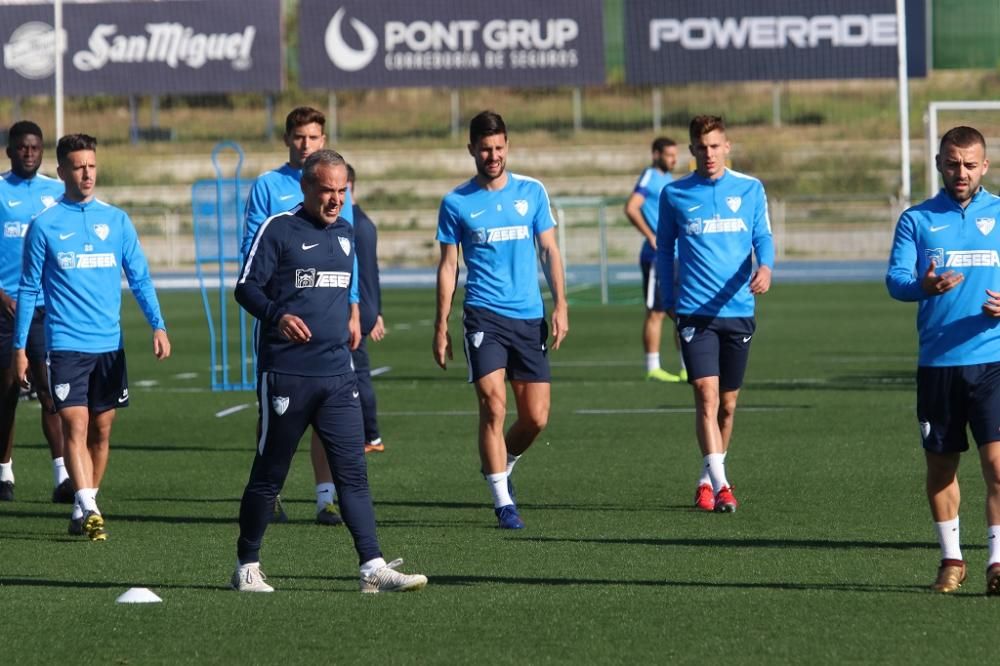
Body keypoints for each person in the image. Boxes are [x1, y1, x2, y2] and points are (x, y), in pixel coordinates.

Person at [231, 149, 426, 593]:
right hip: (287, 374)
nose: (336, 200)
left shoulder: (345, 232)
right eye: (328, 191)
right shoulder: (278, 229)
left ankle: (371, 566)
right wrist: (277, 315)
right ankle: (246, 563)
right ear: (306, 188)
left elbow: (344, 292)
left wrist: (357, 315)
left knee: (353, 472)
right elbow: (245, 287)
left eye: (343, 191)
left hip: (339, 375)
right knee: (270, 472)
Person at [13, 133, 171, 541]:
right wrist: (19, 348)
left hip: (109, 347)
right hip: (64, 344)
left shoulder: (116, 220)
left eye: (92, 166)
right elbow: (29, 289)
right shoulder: (44, 226)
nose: (87, 173)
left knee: (102, 431)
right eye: (78, 166)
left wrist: (158, 324)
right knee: (75, 427)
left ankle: (85, 505)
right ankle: (91, 507)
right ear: (62, 170)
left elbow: (139, 278)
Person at [434, 110, 569, 529]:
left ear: (507, 146)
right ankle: (502, 501)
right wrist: (440, 325)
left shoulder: (532, 192)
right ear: (471, 149)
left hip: (528, 317)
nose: (492, 155)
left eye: (498, 148)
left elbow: (548, 249)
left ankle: (502, 463)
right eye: (484, 148)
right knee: (494, 405)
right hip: (483, 317)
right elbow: (448, 266)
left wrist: (561, 304)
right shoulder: (456, 202)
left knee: (536, 417)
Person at [886, 125, 1000, 596]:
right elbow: (895, 280)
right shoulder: (916, 220)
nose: (961, 172)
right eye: (952, 163)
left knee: (997, 466)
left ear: (985, 166)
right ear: (938, 163)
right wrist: (922, 287)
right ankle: (952, 560)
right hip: (938, 363)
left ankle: (997, 562)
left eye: (970, 164)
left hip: (993, 361)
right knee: (941, 468)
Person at [242, 106, 355, 526]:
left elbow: (345, 254)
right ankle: (269, 492)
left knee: (330, 406)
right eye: (299, 137)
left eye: (313, 138)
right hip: (281, 319)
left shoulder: (337, 183)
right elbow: (253, 251)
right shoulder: (269, 186)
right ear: (288, 139)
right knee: (273, 412)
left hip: (329, 317)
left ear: (323, 140)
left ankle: (325, 498)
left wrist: (355, 306)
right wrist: (276, 310)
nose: (305, 144)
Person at [656, 115, 774, 514]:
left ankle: (707, 479)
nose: (708, 154)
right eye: (701, 147)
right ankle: (723, 486)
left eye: (715, 146)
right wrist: (666, 297)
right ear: (691, 151)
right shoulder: (674, 194)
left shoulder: (750, 189)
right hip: (694, 312)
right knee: (705, 397)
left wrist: (766, 268)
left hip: (738, 310)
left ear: (728, 147)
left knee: (727, 405)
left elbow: (763, 237)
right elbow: (663, 250)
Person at [0, 120, 70, 503]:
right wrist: (3, 297)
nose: (29, 153)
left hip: (45, 308)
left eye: (35, 147)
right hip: (5, 309)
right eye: (22, 147)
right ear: (10, 151)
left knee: (50, 391)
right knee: (7, 391)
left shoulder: (57, 192)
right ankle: (4, 473)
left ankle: (62, 478)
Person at [624, 136, 685, 383]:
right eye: (669, 154)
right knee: (657, 312)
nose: (674, 159)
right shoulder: (650, 175)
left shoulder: (668, 179)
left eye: (675, 154)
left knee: (683, 310)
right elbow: (631, 207)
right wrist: (651, 235)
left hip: (677, 254)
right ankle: (653, 366)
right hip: (656, 256)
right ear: (656, 154)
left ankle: (686, 366)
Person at [346, 163, 387, 454]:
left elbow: (357, 274)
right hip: (368, 306)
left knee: (358, 374)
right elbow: (374, 272)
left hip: (356, 310)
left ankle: (370, 436)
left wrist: (363, 311)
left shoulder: (353, 226)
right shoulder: (365, 223)